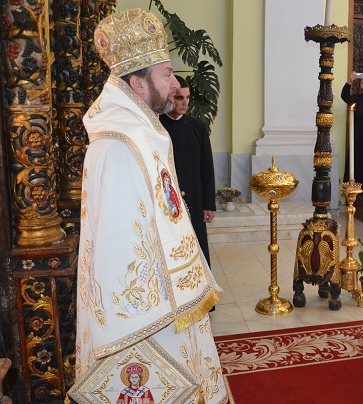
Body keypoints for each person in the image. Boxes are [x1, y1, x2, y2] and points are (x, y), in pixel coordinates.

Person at [68, 9, 226, 403]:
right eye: (166, 74)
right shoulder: (118, 144)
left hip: (171, 299)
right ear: (137, 83)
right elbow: (121, 256)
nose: (175, 85)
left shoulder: (140, 131)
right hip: (147, 317)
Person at [160, 75, 216, 269]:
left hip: (194, 199)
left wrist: (208, 204)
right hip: (167, 200)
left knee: (198, 249)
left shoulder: (198, 128)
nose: (185, 103)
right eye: (179, 98)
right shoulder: (157, 127)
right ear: (169, 98)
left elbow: (207, 169)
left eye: (187, 97)